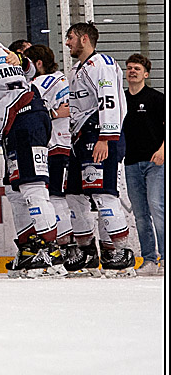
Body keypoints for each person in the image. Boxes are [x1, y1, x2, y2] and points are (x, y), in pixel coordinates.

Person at [0, 16, 64, 277]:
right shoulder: (5, 52)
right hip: (21, 120)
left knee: (32, 188)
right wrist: (21, 59)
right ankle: (29, 249)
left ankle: (51, 252)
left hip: (23, 118)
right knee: (15, 190)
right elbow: (28, 70)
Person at [63, 22, 134, 275]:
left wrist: (106, 136)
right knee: (74, 194)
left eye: (70, 37)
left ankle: (119, 252)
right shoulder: (75, 70)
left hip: (100, 134)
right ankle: (87, 251)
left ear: (84, 39)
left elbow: (110, 101)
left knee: (103, 195)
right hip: (79, 137)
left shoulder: (101, 63)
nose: (67, 42)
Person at [23, 44, 75, 257]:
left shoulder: (43, 81)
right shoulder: (63, 79)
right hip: (61, 145)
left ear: (39, 64)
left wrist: (52, 114)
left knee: (54, 197)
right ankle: (66, 246)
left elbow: (28, 106)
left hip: (54, 146)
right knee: (55, 196)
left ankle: (64, 248)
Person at [123, 53, 164, 275]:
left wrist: (163, 150)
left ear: (145, 74)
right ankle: (149, 259)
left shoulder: (157, 99)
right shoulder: (121, 100)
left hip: (155, 163)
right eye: (129, 68)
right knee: (140, 214)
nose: (132, 71)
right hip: (130, 164)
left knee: (157, 208)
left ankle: (166, 258)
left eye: (137, 68)